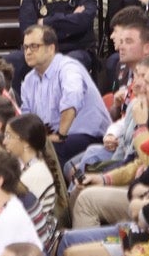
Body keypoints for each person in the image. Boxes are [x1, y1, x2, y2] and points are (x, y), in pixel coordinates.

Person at [18, 24, 110, 165]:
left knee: (48, 150)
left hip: (89, 136)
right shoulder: (29, 81)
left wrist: (61, 134)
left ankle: (53, 187)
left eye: (34, 46)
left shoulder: (68, 68)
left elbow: (72, 98)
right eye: (25, 47)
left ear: (51, 49)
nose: (28, 52)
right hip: (55, 137)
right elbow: (27, 118)